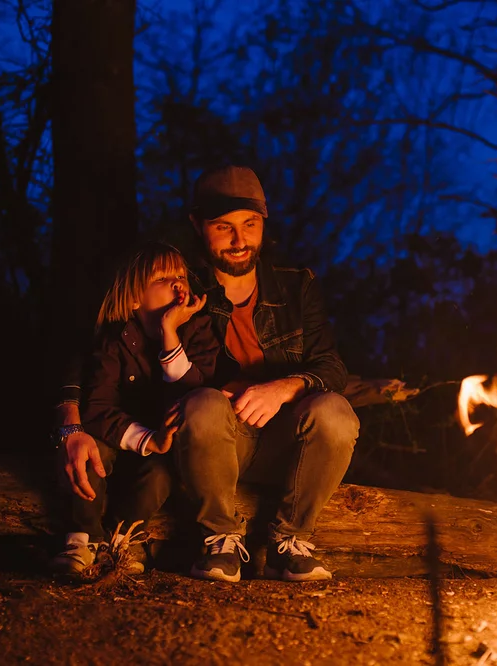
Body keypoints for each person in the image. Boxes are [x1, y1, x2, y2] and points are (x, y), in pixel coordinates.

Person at [174, 165, 360, 583]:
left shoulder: (296, 287)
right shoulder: (180, 287)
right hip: (216, 443)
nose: (240, 241)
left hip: (286, 444)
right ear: (197, 225)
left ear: (264, 222)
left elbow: (331, 367)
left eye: (250, 225)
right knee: (202, 404)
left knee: (336, 411)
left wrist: (283, 387)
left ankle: (291, 543)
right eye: (224, 227)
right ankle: (219, 541)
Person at [50, 242, 218, 576]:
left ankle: (120, 539)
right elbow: (97, 408)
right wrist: (145, 438)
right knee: (92, 453)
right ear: (133, 298)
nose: (178, 283)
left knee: (159, 477)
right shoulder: (115, 340)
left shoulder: (199, 330)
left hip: (163, 452)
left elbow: (196, 392)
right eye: (163, 278)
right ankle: (82, 538)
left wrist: (171, 333)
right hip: (119, 436)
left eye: (180, 276)